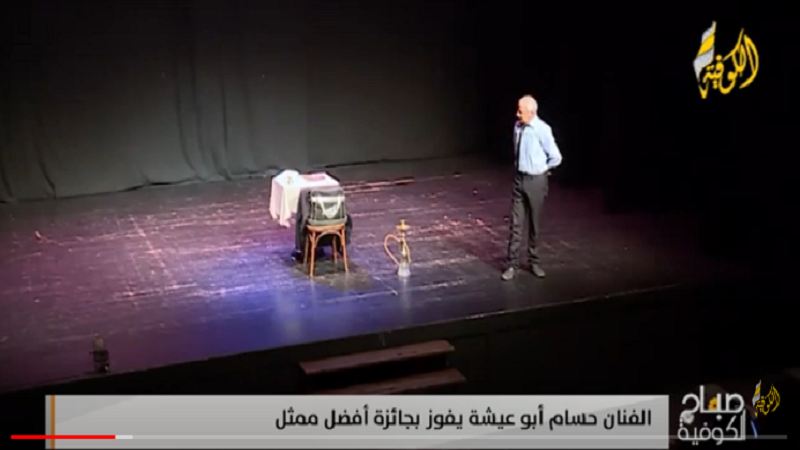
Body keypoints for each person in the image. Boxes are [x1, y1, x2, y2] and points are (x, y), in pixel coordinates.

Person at [501, 95, 562, 281]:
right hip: (519, 179)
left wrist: (543, 170)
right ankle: (512, 264)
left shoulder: (542, 129)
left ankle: (534, 261)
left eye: (521, 111)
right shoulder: (518, 127)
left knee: (534, 224)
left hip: (536, 181)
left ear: (532, 112)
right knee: (516, 224)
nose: (517, 114)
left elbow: (556, 157)